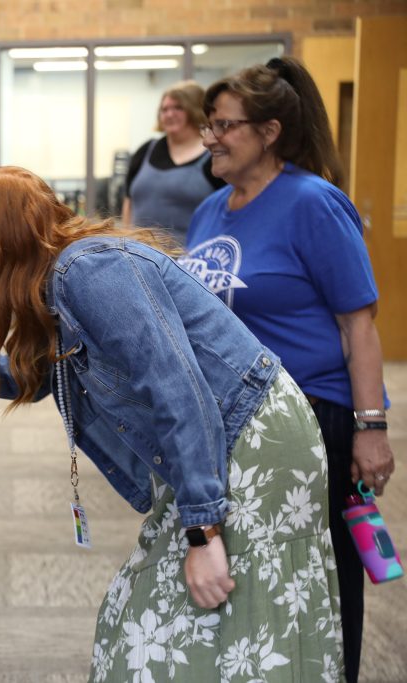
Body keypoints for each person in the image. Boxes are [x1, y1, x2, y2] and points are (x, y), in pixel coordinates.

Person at [0, 166, 344, 682]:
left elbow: (176, 386)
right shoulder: (62, 282)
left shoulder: (88, 270)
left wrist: (203, 529)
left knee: (208, 613)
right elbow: (34, 376)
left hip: (250, 436)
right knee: (168, 616)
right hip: (224, 435)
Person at [183, 55, 394, 683]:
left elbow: (359, 325)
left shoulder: (314, 203)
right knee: (248, 568)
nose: (211, 137)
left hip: (310, 419)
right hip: (232, 420)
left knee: (317, 568)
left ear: (269, 131)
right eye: (209, 125)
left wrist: (371, 426)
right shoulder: (210, 210)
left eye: (224, 125)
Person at [121, 81, 225, 244]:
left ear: (194, 110)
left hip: (192, 261)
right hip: (140, 257)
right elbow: (129, 203)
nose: (169, 114)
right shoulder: (146, 150)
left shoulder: (214, 156)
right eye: (164, 109)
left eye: (178, 108)